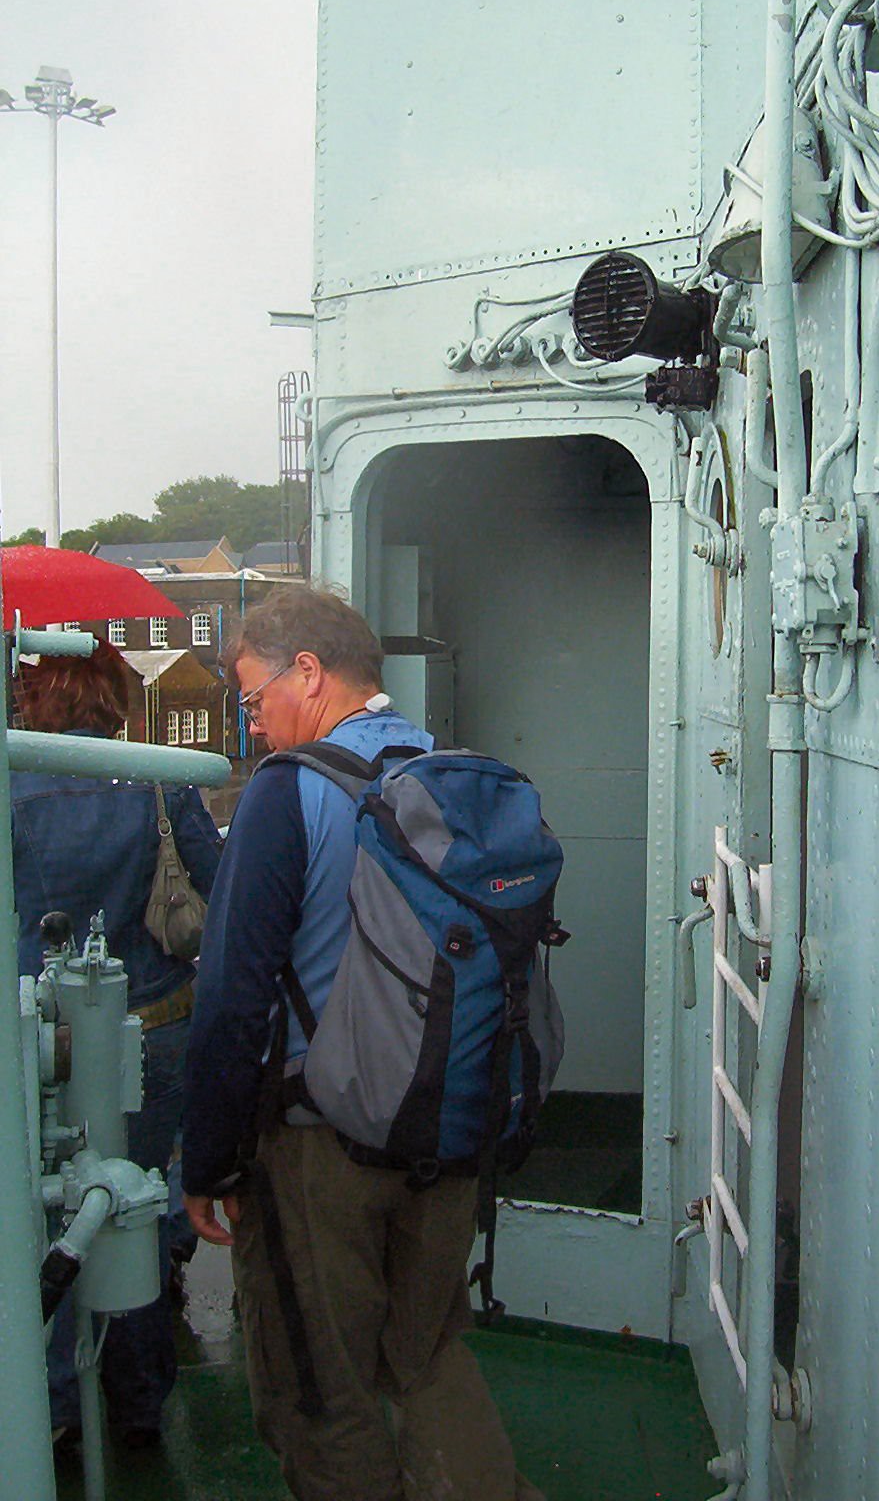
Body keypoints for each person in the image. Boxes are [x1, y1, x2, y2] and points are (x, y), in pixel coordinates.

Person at [180, 585, 544, 1501]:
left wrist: (210, 1159)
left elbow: (232, 998)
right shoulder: (442, 769)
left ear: (308, 672)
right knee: (427, 1356)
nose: (254, 723)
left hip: (320, 1152)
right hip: (447, 1132)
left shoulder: (286, 792)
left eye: (255, 696)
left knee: (319, 1384)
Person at [10, 638, 223, 1448]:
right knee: (132, 1205)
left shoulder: (12, 781)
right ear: (114, 701)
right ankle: (136, 1402)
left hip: (37, 1037)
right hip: (152, 1027)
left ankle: (59, 1407)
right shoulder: (157, 780)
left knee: (43, 1217)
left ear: (36, 701)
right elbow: (218, 885)